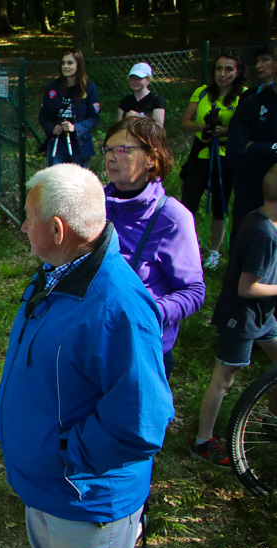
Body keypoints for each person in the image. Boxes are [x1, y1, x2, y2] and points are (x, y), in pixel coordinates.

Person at [0, 163, 174, 548]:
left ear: (58, 230)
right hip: (49, 487)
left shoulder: (118, 306)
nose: (22, 226)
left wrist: (65, 456)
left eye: (28, 217)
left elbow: (143, 419)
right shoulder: (59, 273)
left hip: (84, 501)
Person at [102, 117, 205, 378]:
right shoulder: (93, 203)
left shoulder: (172, 217)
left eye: (123, 149)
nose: (112, 157)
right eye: (108, 149)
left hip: (141, 350)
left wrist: (150, 312)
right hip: (95, 340)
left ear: (151, 158)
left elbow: (193, 290)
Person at [190, 164, 277, 467]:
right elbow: (247, 288)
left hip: (263, 316)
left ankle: (270, 421)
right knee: (223, 380)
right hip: (242, 317)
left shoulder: (263, 219)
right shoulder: (264, 233)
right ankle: (202, 441)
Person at [179, 50, 246, 270]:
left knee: (220, 204)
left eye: (228, 69)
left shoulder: (244, 95)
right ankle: (185, 247)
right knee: (188, 203)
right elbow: (186, 122)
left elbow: (245, 126)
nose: (222, 73)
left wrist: (226, 130)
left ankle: (214, 252)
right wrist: (203, 128)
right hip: (200, 154)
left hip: (225, 157)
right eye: (219, 68)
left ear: (237, 72)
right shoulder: (202, 92)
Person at [227, 45, 277, 242]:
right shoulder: (252, 102)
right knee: (242, 250)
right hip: (249, 196)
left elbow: (246, 150)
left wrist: (256, 147)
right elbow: (234, 154)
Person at [38, 49, 101, 168]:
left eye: (70, 63)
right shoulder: (53, 88)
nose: (66, 66)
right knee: (56, 179)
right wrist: (52, 128)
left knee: (77, 182)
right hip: (58, 143)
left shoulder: (89, 88)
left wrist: (75, 128)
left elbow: (94, 117)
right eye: (63, 63)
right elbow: (43, 116)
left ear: (79, 64)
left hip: (79, 143)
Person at [117, 62, 165, 126]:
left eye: (139, 78)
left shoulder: (156, 99)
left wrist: (138, 117)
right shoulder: (125, 101)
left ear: (148, 80)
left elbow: (159, 126)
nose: (135, 81)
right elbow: (118, 127)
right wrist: (126, 119)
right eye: (132, 78)